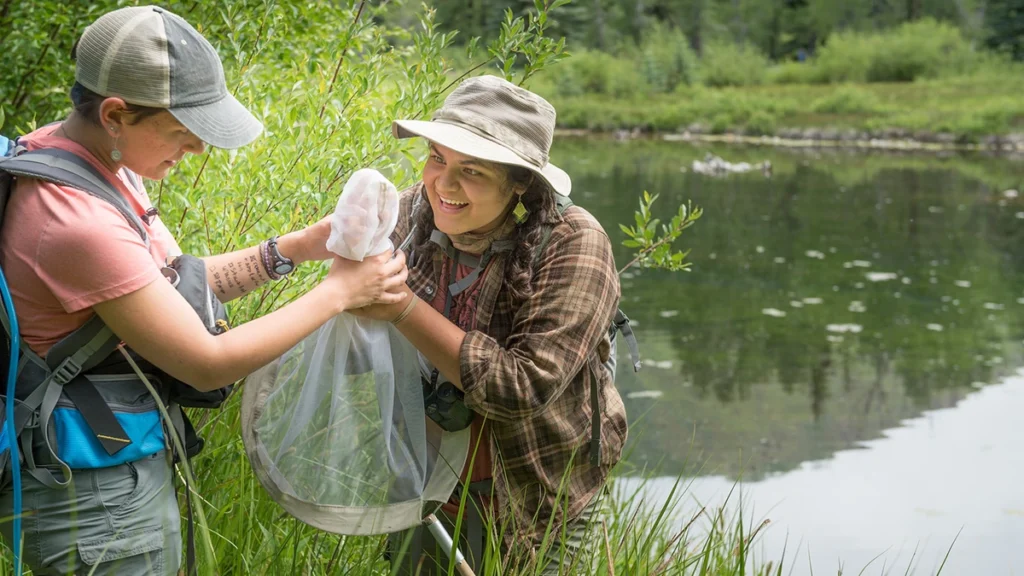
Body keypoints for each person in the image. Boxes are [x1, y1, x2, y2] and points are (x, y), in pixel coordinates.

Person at [0, 6, 407, 575]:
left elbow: (155, 292)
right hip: (92, 503)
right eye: (185, 133)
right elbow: (207, 363)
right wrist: (340, 291)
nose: (198, 150)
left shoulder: (89, 160)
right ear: (116, 113)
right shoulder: (74, 220)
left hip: (110, 474)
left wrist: (293, 248)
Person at [357, 75, 628, 574]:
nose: (444, 184)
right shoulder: (411, 211)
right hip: (424, 490)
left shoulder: (575, 244)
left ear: (520, 182)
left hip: (538, 499)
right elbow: (360, 346)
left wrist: (400, 309)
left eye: (473, 171)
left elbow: (522, 388)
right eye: (437, 157)